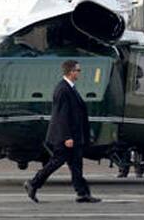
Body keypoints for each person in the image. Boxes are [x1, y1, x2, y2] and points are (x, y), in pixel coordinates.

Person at [24, 60, 100, 203]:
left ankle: (82, 193)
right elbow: (61, 115)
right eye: (78, 70)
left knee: (76, 165)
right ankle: (33, 183)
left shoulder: (70, 88)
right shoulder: (63, 89)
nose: (79, 72)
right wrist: (67, 137)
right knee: (56, 162)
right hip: (66, 137)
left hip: (74, 136)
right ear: (71, 72)